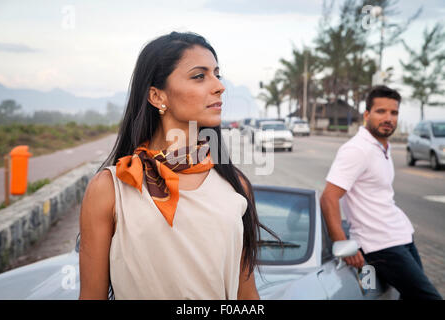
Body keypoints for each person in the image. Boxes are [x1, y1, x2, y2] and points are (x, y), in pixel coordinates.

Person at [78, 31, 277, 300]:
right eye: (199, 76)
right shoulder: (111, 188)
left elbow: (247, 297)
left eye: (217, 74)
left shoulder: (235, 186)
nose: (219, 86)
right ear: (157, 96)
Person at [320, 85, 442, 300]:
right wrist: (342, 244)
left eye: (394, 113)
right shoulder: (357, 149)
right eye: (381, 111)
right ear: (367, 114)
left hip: (401, 236)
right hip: (380, 246)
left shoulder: (383, 146)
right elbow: (329, 197)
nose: (388, 118)